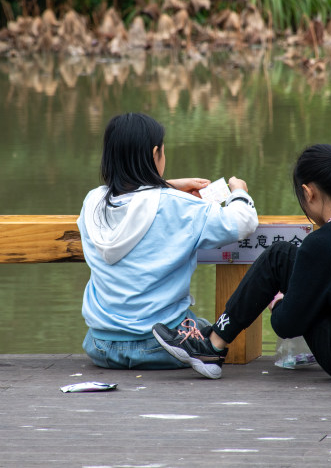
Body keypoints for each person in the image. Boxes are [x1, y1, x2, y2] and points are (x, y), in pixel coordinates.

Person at [153, 143, 331, 381]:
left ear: (309, 193)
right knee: (290, 262)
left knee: (279, 255)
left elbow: (286, 326)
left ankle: (213, 345)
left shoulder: (323, 243)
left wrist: (279, 299)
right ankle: (212, 342)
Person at [78, 112, 258, 372]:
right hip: (160, 346)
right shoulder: (178, 206)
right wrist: (239, 191)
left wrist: (165, 185)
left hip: (101, 346)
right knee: (210, 330)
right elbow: (242, 222)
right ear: (155, 155)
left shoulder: (92, 202)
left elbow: (133, 202)